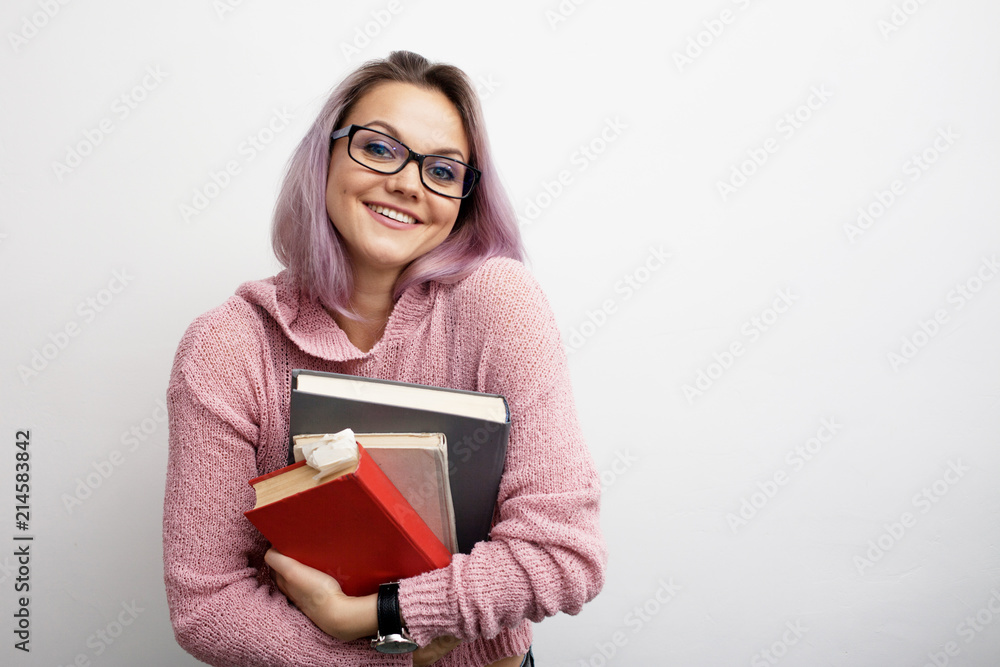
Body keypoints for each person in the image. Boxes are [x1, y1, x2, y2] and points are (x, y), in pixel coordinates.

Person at [162, 50, 606, 666]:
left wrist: (381, 614)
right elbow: (207, 604)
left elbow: (563, 555)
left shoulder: (499, 304)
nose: (407, 184)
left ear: (463, 202)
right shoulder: (230, 347)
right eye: (378, 148)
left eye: (444, 172)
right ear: (326, 156)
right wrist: (393, 660)